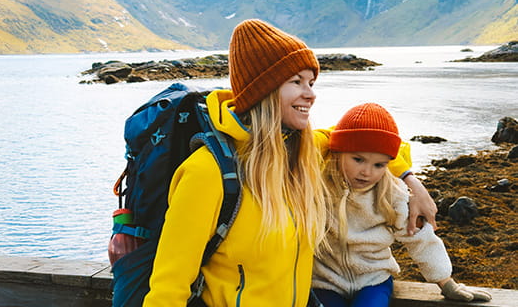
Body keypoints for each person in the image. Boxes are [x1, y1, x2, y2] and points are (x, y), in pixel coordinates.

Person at [143, 18, 329, 306]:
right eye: (296, 82)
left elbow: (361, 140)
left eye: (311, 82)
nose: (311, 94)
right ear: (263, 91)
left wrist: (407, 178)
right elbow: (168, 289)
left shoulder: (297, 154)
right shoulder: (207, 173)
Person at [311, 103, 492, 307]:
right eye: (358, 159)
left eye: (379, 165)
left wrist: (446, 283)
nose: (367, 172)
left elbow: (420, 239)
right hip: (325, 282)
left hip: (373, 281)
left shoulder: (393, 194)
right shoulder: (318, 188)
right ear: (337, 152)